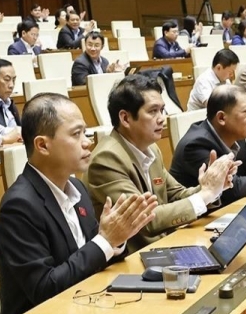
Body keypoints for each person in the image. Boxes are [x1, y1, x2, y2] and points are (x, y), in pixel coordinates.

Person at [0, 93, 156, 314]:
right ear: (42, 145)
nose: (88, 141)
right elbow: (45, 289)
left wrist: (117, 241)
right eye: (76, 134)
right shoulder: (19, 207)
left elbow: (92, 260)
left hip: (87, 311)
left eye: (85, 132)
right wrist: (105, 241)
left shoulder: (77, 188)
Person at [84, 75, 236, 253]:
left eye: (162, 110)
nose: (161, 118)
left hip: (161, 247)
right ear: (125, 118)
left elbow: (176, 194)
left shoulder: (151, 149)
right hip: (130, 260)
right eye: (153, 111)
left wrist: (214, 187)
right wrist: (205, 195)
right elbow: (144, 219)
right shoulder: (107, 158)